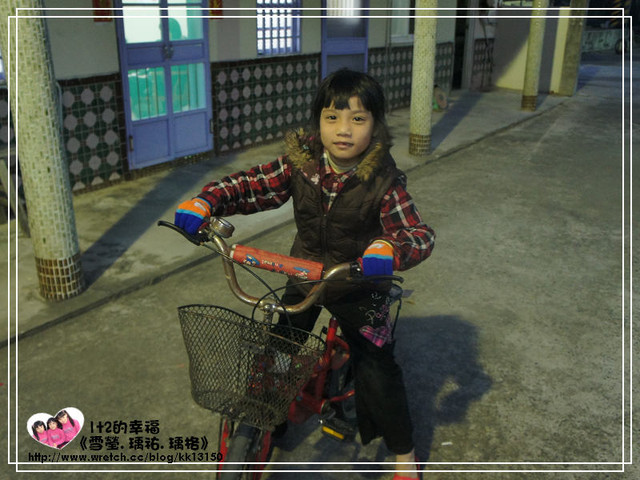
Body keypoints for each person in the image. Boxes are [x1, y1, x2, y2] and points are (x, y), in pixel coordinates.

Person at [175, 69, 434, 479]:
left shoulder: (384, 181)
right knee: (278, 352)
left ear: (376, 125)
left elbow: (417, 234)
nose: (344, 130)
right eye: (332, 117)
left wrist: (389, 248)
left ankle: (405, 454)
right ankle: (268, 419)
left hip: (359, 283)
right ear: (318, 122)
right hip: (306, 273)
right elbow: (253, 184)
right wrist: (208, 200)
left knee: (378, 371)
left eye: (358, 119)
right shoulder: (303, 164)